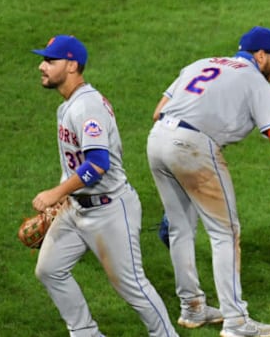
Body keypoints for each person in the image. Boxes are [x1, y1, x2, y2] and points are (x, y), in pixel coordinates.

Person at [146, 26, 270, 337]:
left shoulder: (201, 64)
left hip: (157, 141)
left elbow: (157, 111)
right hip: (192, 147)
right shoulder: (256, 81)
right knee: (225, 233)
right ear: (259, 56)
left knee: (180, 228)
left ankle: (192, 307)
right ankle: (236, 321)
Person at [30, 35, 179, 337]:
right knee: (49, 269)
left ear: (72, 65)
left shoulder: (87, 107)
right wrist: (62, 200)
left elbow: (97, 164)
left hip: (110, 209)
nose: (41, 66)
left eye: (50, 61)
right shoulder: (68, 106)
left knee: (131, 285)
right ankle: (85, 333)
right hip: (76, 209)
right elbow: (75, 163)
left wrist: (54, 194)